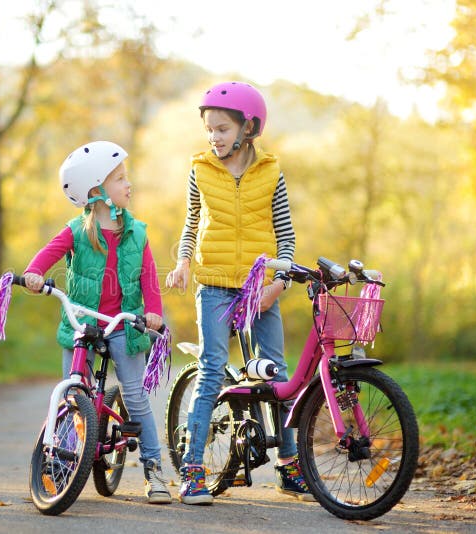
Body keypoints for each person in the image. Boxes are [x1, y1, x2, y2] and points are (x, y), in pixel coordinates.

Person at [165, 81, 312, 505]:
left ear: (248, 128)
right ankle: (193, 469)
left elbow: (286, 236)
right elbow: (192, 222)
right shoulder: (200, 170)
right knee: (212, 367)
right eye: (209, 129)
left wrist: (278, 283)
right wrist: (182, 262)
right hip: (213, 284)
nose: (214, 137)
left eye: (222, 129)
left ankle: (289, 465)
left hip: (260, 285)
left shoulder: (271, 173)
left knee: (277, 376)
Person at [23, 141, 172, 505]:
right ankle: (59, 462)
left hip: (123, 323)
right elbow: (48, 254)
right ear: (96, 191)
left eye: (125, 177)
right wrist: (33, 273)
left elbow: (149, 277)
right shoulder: (76, 230)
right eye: (120, 178)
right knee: (73, 393)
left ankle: (154, 469)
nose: (128, 184)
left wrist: (153, 311)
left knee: (135, 395)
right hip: (84, 322)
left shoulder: (136, 232)